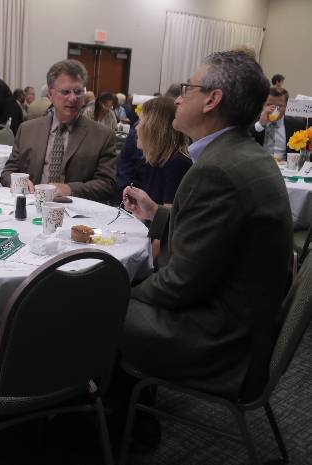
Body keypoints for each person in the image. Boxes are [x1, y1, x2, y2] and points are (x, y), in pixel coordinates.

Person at [121, 50, 292, 400]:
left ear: (212, 100)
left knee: (88, 306)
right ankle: (127, 408)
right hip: (243, 320)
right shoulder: (246, 154)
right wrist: (159, 214)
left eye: (188, 87)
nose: (179, 97)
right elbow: (227, 239)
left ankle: (113, 421)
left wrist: (118, 291)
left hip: (220, 340)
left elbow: (178, 285)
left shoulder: (217, 170)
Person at [0, 59, 117, 203]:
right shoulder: (27, 130)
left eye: (78, 92)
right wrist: (19, 182)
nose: (73, 98)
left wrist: (70, 189)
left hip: (78, 216)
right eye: (66, 92)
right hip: (32, 210)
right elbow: (8, 172)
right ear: (50, 95)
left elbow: (107, 185)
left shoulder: (102, 136)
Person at [134, 96, 191, 205]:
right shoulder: (155, 160)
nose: (137, 127)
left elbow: (169, 218)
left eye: (141, 121)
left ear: (154, 128)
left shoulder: (177, 164)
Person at [251, 87, 307, 158]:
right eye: (269, 105)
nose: (274, 109)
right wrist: (260, 124)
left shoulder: (297, 124)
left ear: (287, 106)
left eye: (279, 106)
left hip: (285, 166)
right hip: (259, 164)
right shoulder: (252, 121)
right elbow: (243, 142)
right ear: (263, 105)